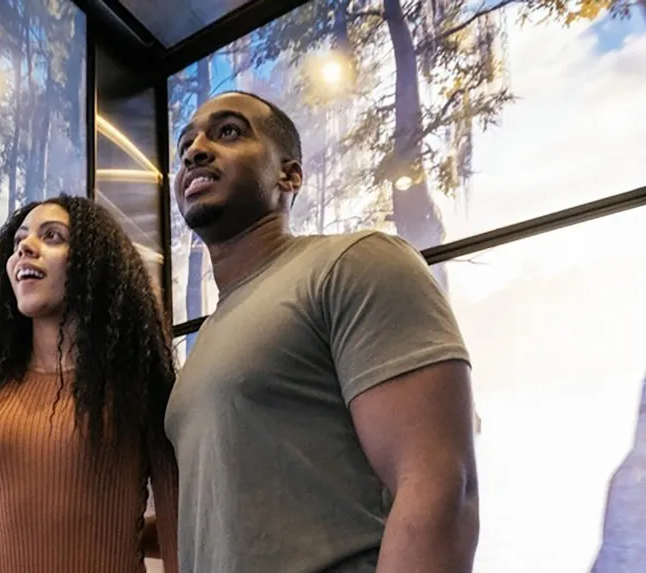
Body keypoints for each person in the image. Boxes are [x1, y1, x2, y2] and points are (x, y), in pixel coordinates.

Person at [165, 91, 479, 573]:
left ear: (289, 174)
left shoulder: (354, 263)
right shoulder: (205, 345)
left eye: (228, 131)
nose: (195, 150)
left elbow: (439, 489)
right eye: (186, 143)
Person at [0, 196, 178, 573]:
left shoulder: (140, 389)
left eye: (52, 236)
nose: (25, 247)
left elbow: (178, 536)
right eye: (19, 239)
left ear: (93, 264)